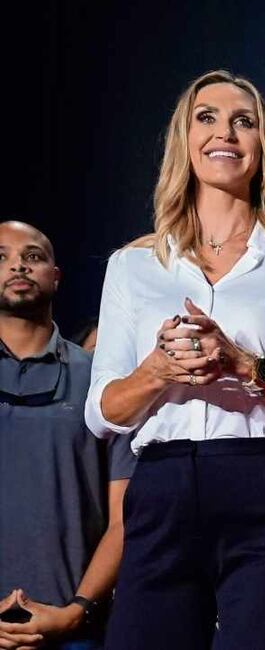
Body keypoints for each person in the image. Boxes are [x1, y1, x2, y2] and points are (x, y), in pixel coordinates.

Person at [84, 70, 265, 650]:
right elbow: (102, 412)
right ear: (184, 139)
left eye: (243, 120)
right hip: (161, 488)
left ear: (262, 147)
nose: (223, 131)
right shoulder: (133, 264)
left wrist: (244, 364)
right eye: (206, 117)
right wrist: (155, 371)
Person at [0, 222, 135, 650]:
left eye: (33, 256)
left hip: (74, 630)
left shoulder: (102, 381)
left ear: (56, 276)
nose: (18, 264)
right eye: (0, 257)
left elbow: (125, 517)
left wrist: (76, 611)